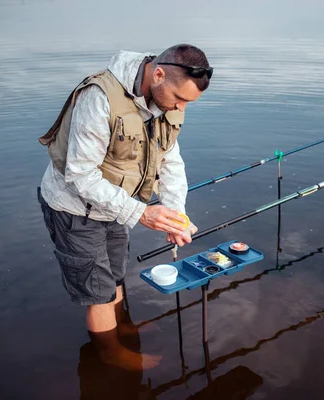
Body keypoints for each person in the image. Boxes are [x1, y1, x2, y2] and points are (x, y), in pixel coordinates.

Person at [37, 44, 212, 370]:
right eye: (180, 98)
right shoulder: (100, 98)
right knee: (98, 290)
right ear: (158, 74)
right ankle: (109, 352)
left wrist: (177, 216)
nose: (181, 107)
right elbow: (81, 176)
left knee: (115, 275)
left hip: (116, 205)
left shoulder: (166, 100)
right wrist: (143, 212)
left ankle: (119, 327)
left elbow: (170, 161)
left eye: (188, 102)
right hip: (75, 208)